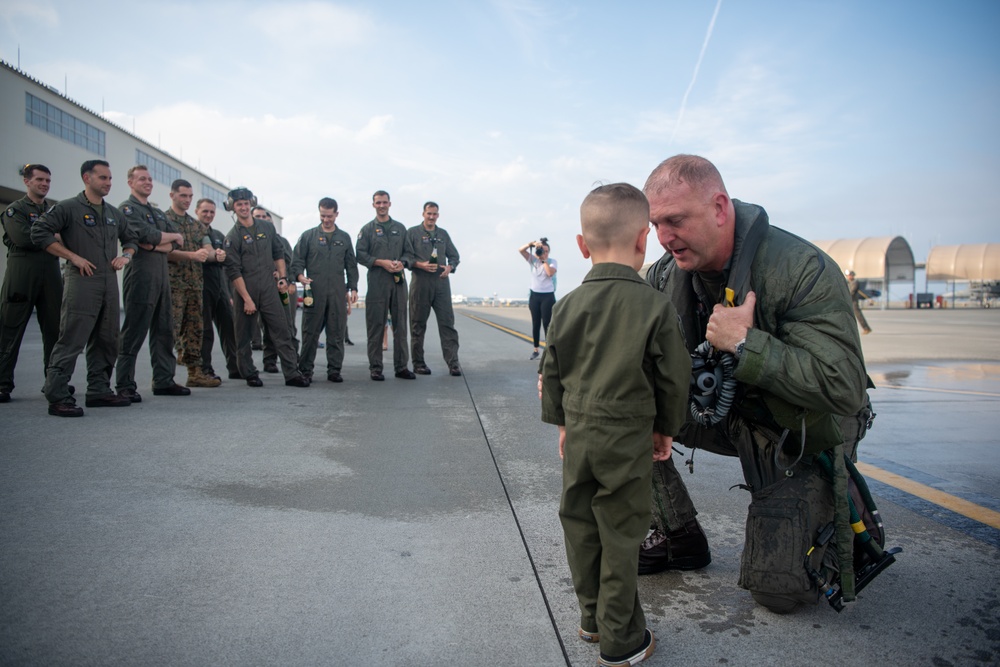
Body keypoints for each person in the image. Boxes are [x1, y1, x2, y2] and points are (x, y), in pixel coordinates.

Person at [641, 155, 871, 614]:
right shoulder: (667, 273)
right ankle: (678, 535)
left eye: (676, 221)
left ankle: (844, 499)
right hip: (727, 413)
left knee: (778, 590)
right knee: (617, 414)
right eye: (656, 224)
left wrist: (747, 344)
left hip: (803, 427)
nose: (664, 238)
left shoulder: (800, 267)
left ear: (720, 209)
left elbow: (842, 385)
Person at [540, 183, 689, 666]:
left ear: (582, 246)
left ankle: (590, 618)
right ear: (643, 240)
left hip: (580, 433)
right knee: (621, 532)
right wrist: (666, 428)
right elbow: (672, 375)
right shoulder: (653, 306)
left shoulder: (565, 306)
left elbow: (553, 370)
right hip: (627, 437)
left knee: (580, 522)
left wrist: (563, 424)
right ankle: (621, 638)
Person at [30, 160, 139, 417]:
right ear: (86, 178)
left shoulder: (114, 213)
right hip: (82, 281)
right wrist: (72, 256)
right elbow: (39, 232)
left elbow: (131, 238)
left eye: (110, 178)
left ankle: (99, 390)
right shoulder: (68, 208)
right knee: (72, 338)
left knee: (107, 339)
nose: (108, 183)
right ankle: (57, 395)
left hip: (108, 283)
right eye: (103, 178)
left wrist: (127, 256)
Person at [114, 166, 190, 403]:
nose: (147, 182)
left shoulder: (157, 213)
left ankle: (164, 380)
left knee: (164, 330)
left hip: (161, 278)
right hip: (141, 276)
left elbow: (177, 240)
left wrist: (158, 243)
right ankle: (125, 384)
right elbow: (144, 235)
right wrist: (160, 240)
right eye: (141, 179)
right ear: (130, 183)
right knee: (134, 331)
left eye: (149, 179)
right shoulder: (127, 209)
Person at [222, 187, 308, 388]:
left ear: (251, 203)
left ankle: (292, 373)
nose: (243, 207)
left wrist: (283, 279)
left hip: (270, 289)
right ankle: (249, 372)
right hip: (246, 290)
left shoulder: (267, 228)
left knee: (282, 330)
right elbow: (233, 271)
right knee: (243, 335)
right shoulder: (232, 236)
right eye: (239, 205)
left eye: (246, 203)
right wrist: (247, 298)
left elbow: (278, 254)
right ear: (233, 208)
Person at [0, 164, 61, 403]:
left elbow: (63, 236)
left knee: (54, 330)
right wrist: (52, 236)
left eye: (47, 180)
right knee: (10, 328)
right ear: (27, 182)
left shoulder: (54, 211)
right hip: (22, 271)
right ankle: (2, 383)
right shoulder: (16, 210)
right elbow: (24, 238)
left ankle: (53, 383)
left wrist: (52, 236)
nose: (44, 184)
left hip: (50, 272)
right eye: (39, 180)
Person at [291, 197, 359, 382]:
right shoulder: (308, 236)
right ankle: (305, 370)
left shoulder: (344, 238)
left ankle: (334, 370)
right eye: (323, 216)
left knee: (336, 334)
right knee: (310, 333)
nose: (326, 220)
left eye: (329, 216)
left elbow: (351, 265)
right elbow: (297, 261)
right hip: (314, 292)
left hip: (337, 293)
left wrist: (353, 287)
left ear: (336, 214)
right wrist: (299, 277)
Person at [355, 190, 415, 380]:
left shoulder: (400, 228)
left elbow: (409, 253)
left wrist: (402, 263)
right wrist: (381, 262)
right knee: (375, 325)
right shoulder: (367, 230)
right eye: (378, 203)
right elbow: (360, 255)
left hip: (398, 281)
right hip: (377, 281)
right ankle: (375, 367)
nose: (382, 206)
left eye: (384, 202)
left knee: (401, 325)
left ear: (390, 204)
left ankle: (401, 367)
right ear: (373, 205)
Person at [165, 179, 218, 389]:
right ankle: (164, 376)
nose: (186, 200)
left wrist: (214, 253)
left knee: (195, 330)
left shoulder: (194, 225)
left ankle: (195, 373)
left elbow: (207, 246)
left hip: (195, 285)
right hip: (173, 285)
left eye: (189, 196)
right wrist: (192, 255)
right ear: (172, 195)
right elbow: (164, 250)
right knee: (169, 330)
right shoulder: (164, 221)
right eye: (183, 196)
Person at [403, 201, 462, 376]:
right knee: (417, 325)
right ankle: (418, 363)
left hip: (441, 284)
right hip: (421, 284)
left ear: (438, 215)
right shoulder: (412, 233)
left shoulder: (443, 234)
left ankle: (453, 363)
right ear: (423, 214)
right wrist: (420, 265)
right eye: (428, 213)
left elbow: (454, 256)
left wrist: (450, 267)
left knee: (447, 324)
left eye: (434, 214)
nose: (431, 217)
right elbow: (405, 257)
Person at [196, 198, 239, 381]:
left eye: (212, 212)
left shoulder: (219, 236)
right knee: (205, 331)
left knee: (229, 328)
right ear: (197, 211)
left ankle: (236, 367)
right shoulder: (193, 233)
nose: (208, 215)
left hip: (220, 288)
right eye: (205, 211)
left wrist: (229, 293)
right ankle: (205, 369)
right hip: (201, 288)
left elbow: (228, 266)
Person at [518, 237, 556, 360]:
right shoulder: (533, 260)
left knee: (547, 323)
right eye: (542, 250)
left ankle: (549, 350)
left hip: (548, 296)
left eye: (546, 251)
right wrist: (532, 244)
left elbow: (550, 273)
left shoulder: (552, 261)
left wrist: (544, 261)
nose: (544, 253)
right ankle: (535, 350)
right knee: (535, 323)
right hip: (535, 296)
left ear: (549, 252)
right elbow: (520, 250)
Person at [845, 270, 872, 334]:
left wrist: (845, 296)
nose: (848, 277)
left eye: (849, 275)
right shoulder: (848, 282)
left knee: (858, 315)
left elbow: (852, 292)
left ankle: (866, 328)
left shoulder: (855, 282)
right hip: (848, 301)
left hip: (853, 301)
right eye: (848, 275)